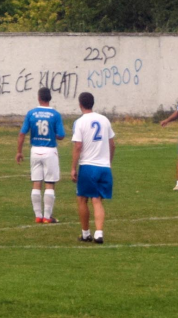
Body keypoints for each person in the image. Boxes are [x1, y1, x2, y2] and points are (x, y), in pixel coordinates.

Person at [71, 92, 115, 245]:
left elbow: (78, 146)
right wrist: (108, 162)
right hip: (104, 167)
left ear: (80, 104)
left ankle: (85, 234)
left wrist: (73, 168)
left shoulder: (80, 122)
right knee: (97, 200)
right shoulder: (104, 120)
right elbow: (112, 144)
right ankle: (99, 233)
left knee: (82, 199)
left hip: (88, 166)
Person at [16, 87, 66, 223]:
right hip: (49, 150)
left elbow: (22, 134)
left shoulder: (31, 113)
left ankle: (38, 216)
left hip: (35, 150)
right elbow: (61, 135)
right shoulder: (55, 115)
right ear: (50, 98)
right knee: (49, 183)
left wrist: (19, 151)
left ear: (38, 98)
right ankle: (47, 217)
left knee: (36, 182)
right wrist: (51, 134)